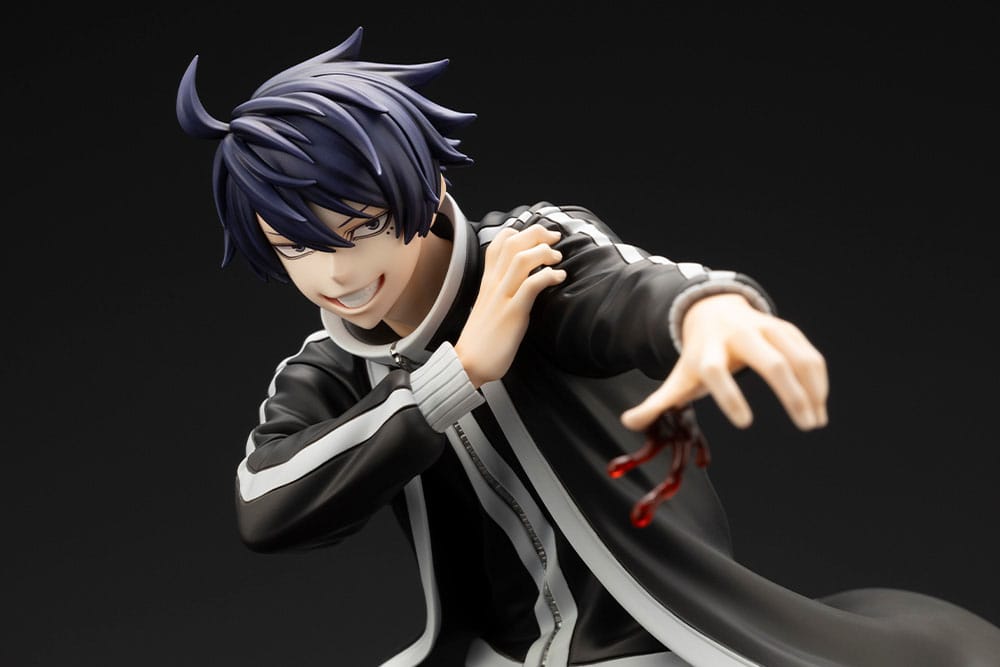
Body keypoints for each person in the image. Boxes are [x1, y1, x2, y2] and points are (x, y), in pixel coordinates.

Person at [177, 27, 1000, 667]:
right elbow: (264, 501)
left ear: (426, 187)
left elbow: (628, 288)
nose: (337, 274)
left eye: (360, 228)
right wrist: (455, 375)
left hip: (649, 634)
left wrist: (708, 311)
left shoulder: (527, 257)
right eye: (294, 246)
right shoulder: (330, 368)